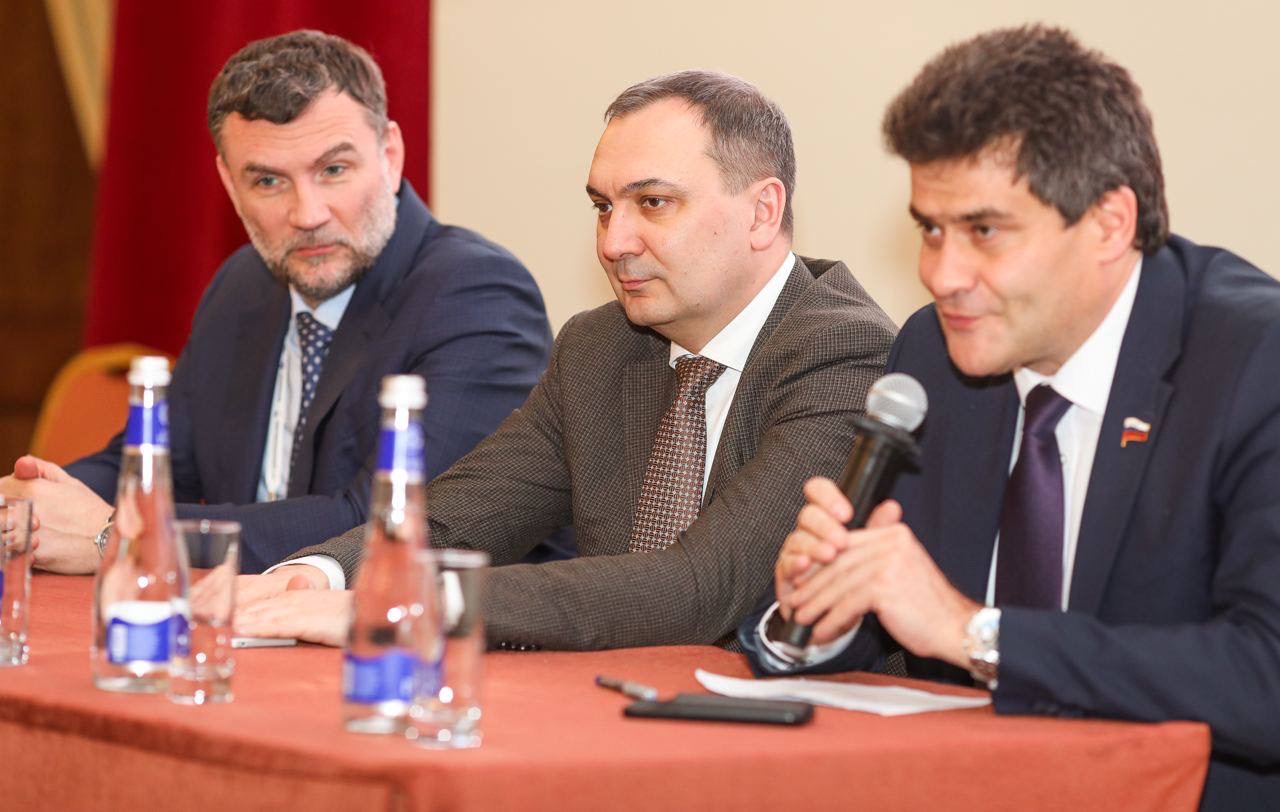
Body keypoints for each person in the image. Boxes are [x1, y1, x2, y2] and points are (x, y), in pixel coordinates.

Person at [743, 25, 1280, 808]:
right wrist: (820, 617)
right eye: (931, 229)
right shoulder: (935, 353)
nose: (942, 275)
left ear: (1109, 223)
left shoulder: (1253, 362)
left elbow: (1265, 675)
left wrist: (977, 634)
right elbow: (899, 614)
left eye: (984, 232)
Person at [231, 70, 897, 651]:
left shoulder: (843, 354)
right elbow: (467, 510)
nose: (613, 241)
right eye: (603, 207)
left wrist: (405, 603)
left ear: (762, 211)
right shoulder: (599, 346)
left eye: (653, 203)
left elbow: (699, 588)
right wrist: (317, 576)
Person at [0, 30, 554, 573]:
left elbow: (388, 524)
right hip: (245, 617)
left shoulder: (476, 296)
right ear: (229, 182)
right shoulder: (243, 284)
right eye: (268, 181)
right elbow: (163, 461)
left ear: (389, 155)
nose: (307, 214)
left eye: (333, 170)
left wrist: (124, 534)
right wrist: (33, 504)